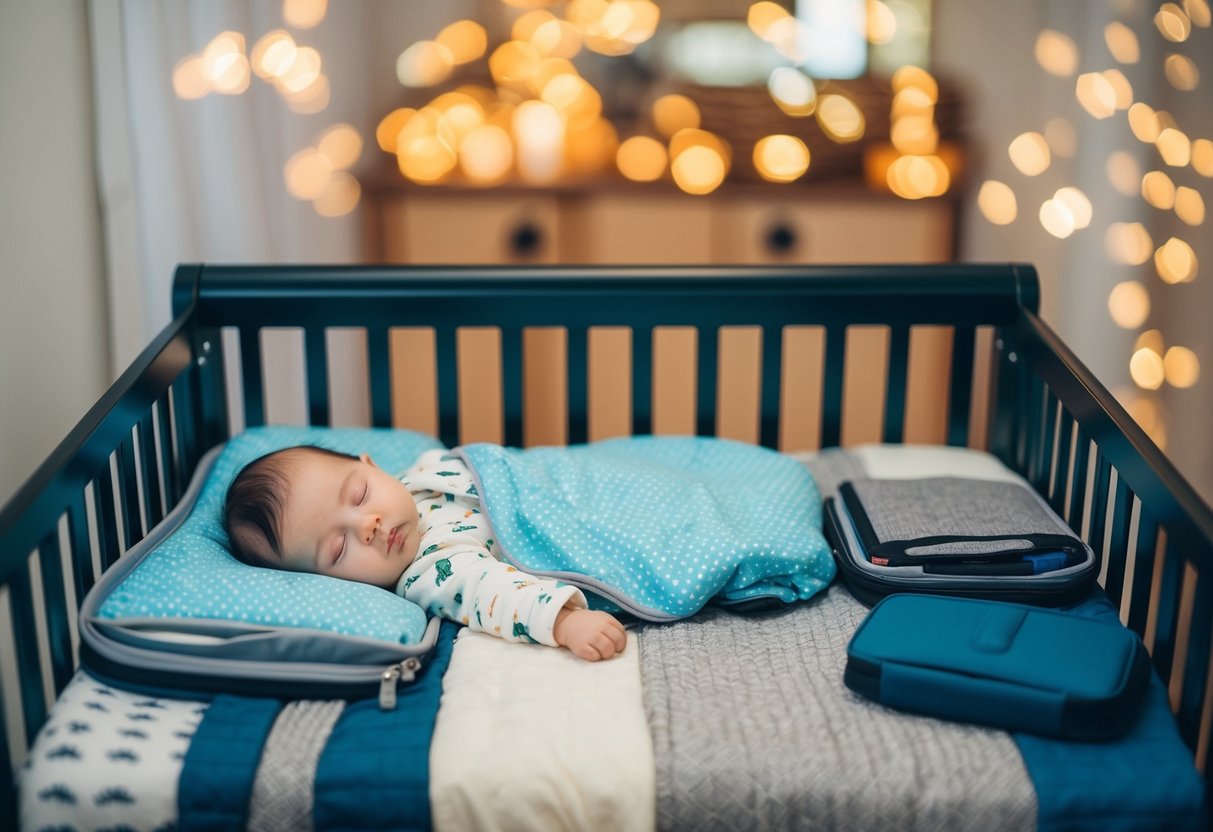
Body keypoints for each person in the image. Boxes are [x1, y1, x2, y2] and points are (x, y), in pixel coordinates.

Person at [223, 445, 627, 662]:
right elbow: (491, 593)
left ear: (372, 464)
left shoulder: (424, 471)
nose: (369, 525)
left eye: (361, 494)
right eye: (339, 547)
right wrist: (564, 624)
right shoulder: (430, 572)